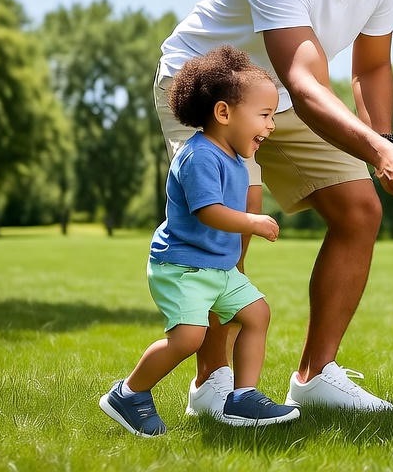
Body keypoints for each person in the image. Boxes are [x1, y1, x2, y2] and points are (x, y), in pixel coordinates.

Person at [155, 0, 393, 416]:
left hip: (283, 94)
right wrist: (379, 151)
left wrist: (380, 144)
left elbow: (373, 65)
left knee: (360, 211)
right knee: (224, 232)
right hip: (209, 92)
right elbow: (307, 83)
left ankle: (315, 375)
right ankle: (213, 386)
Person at [100, 46, 298, 437]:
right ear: (223, 113)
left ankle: (244, 395)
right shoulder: (199, 156)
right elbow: (208, 211)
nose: (271, 125)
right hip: (184, 267)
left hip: (217, 268)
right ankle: (129, 393)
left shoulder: (234, 158)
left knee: (257, 314)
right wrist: (253, 222)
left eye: (272, 116)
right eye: (264, 115)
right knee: (188, 338)